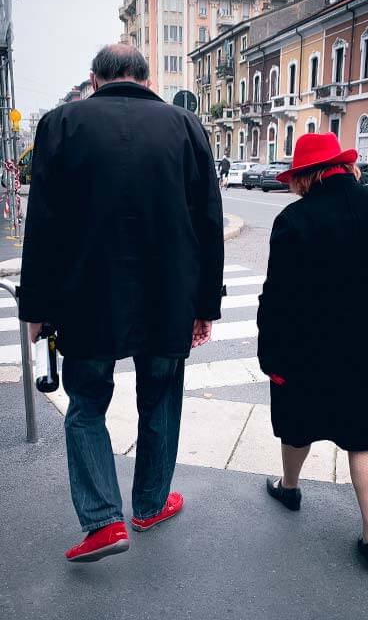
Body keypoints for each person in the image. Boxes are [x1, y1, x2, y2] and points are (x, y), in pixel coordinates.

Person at [19, 44, 224, 562]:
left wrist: (35, 311)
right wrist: (206, 305)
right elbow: (209, 224)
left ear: (95, 79)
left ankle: (103, 522)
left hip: (86, 299)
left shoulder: (61, 124)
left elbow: (41, 225)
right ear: (146, 78)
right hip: (169, 298)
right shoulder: (185, 126)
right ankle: (151, 504)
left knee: (86, 403)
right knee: (161, 399)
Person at [257, 132, 368, 572]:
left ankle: (290, 488)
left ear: (304, 177)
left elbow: (276, 297)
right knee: (364, 436)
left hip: (307, 344)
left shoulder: (293, 221)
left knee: (297, 424)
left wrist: (271, 354)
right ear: (343, 165)